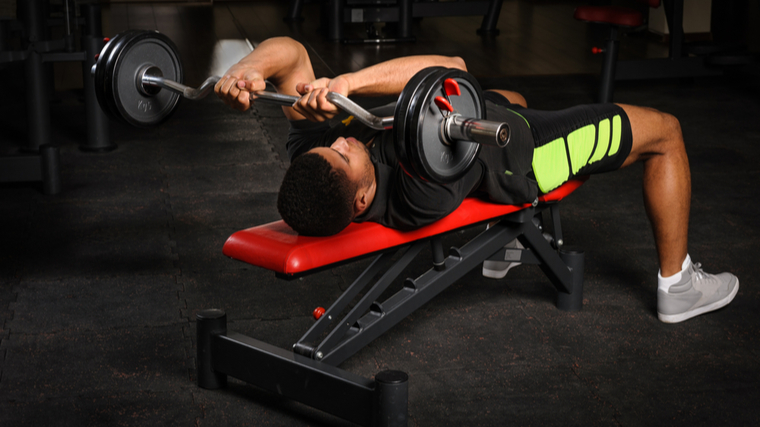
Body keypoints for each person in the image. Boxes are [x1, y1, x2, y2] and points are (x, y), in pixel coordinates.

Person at [215, 37, 738, 324]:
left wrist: (246, 74)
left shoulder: (318, 158)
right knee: (666, 133)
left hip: (482, 134)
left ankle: (508, 246)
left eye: (333, 144)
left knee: (510, 99)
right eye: (344, 156)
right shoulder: (417, 190)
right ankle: (678, 285)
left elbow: (289, 51)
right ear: (363, 199)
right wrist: (351, 82)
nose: (343, 142)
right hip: (526, 160)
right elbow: (452, 68)